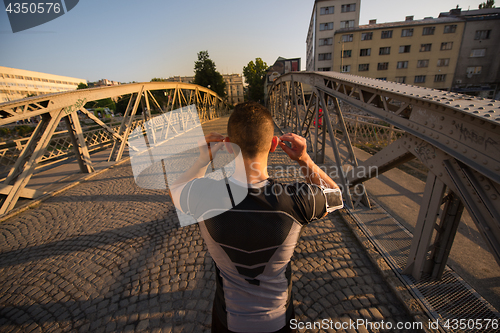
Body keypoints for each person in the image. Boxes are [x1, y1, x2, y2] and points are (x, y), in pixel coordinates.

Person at [169, 102, 339, 333]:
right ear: (273, 145)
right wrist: (304, 160)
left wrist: (201, 160)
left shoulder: (204, 196)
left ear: (228, 147)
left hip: (228, 321)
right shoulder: (295, 199)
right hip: (279, 321)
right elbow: (336, 196)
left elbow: (177, 189)